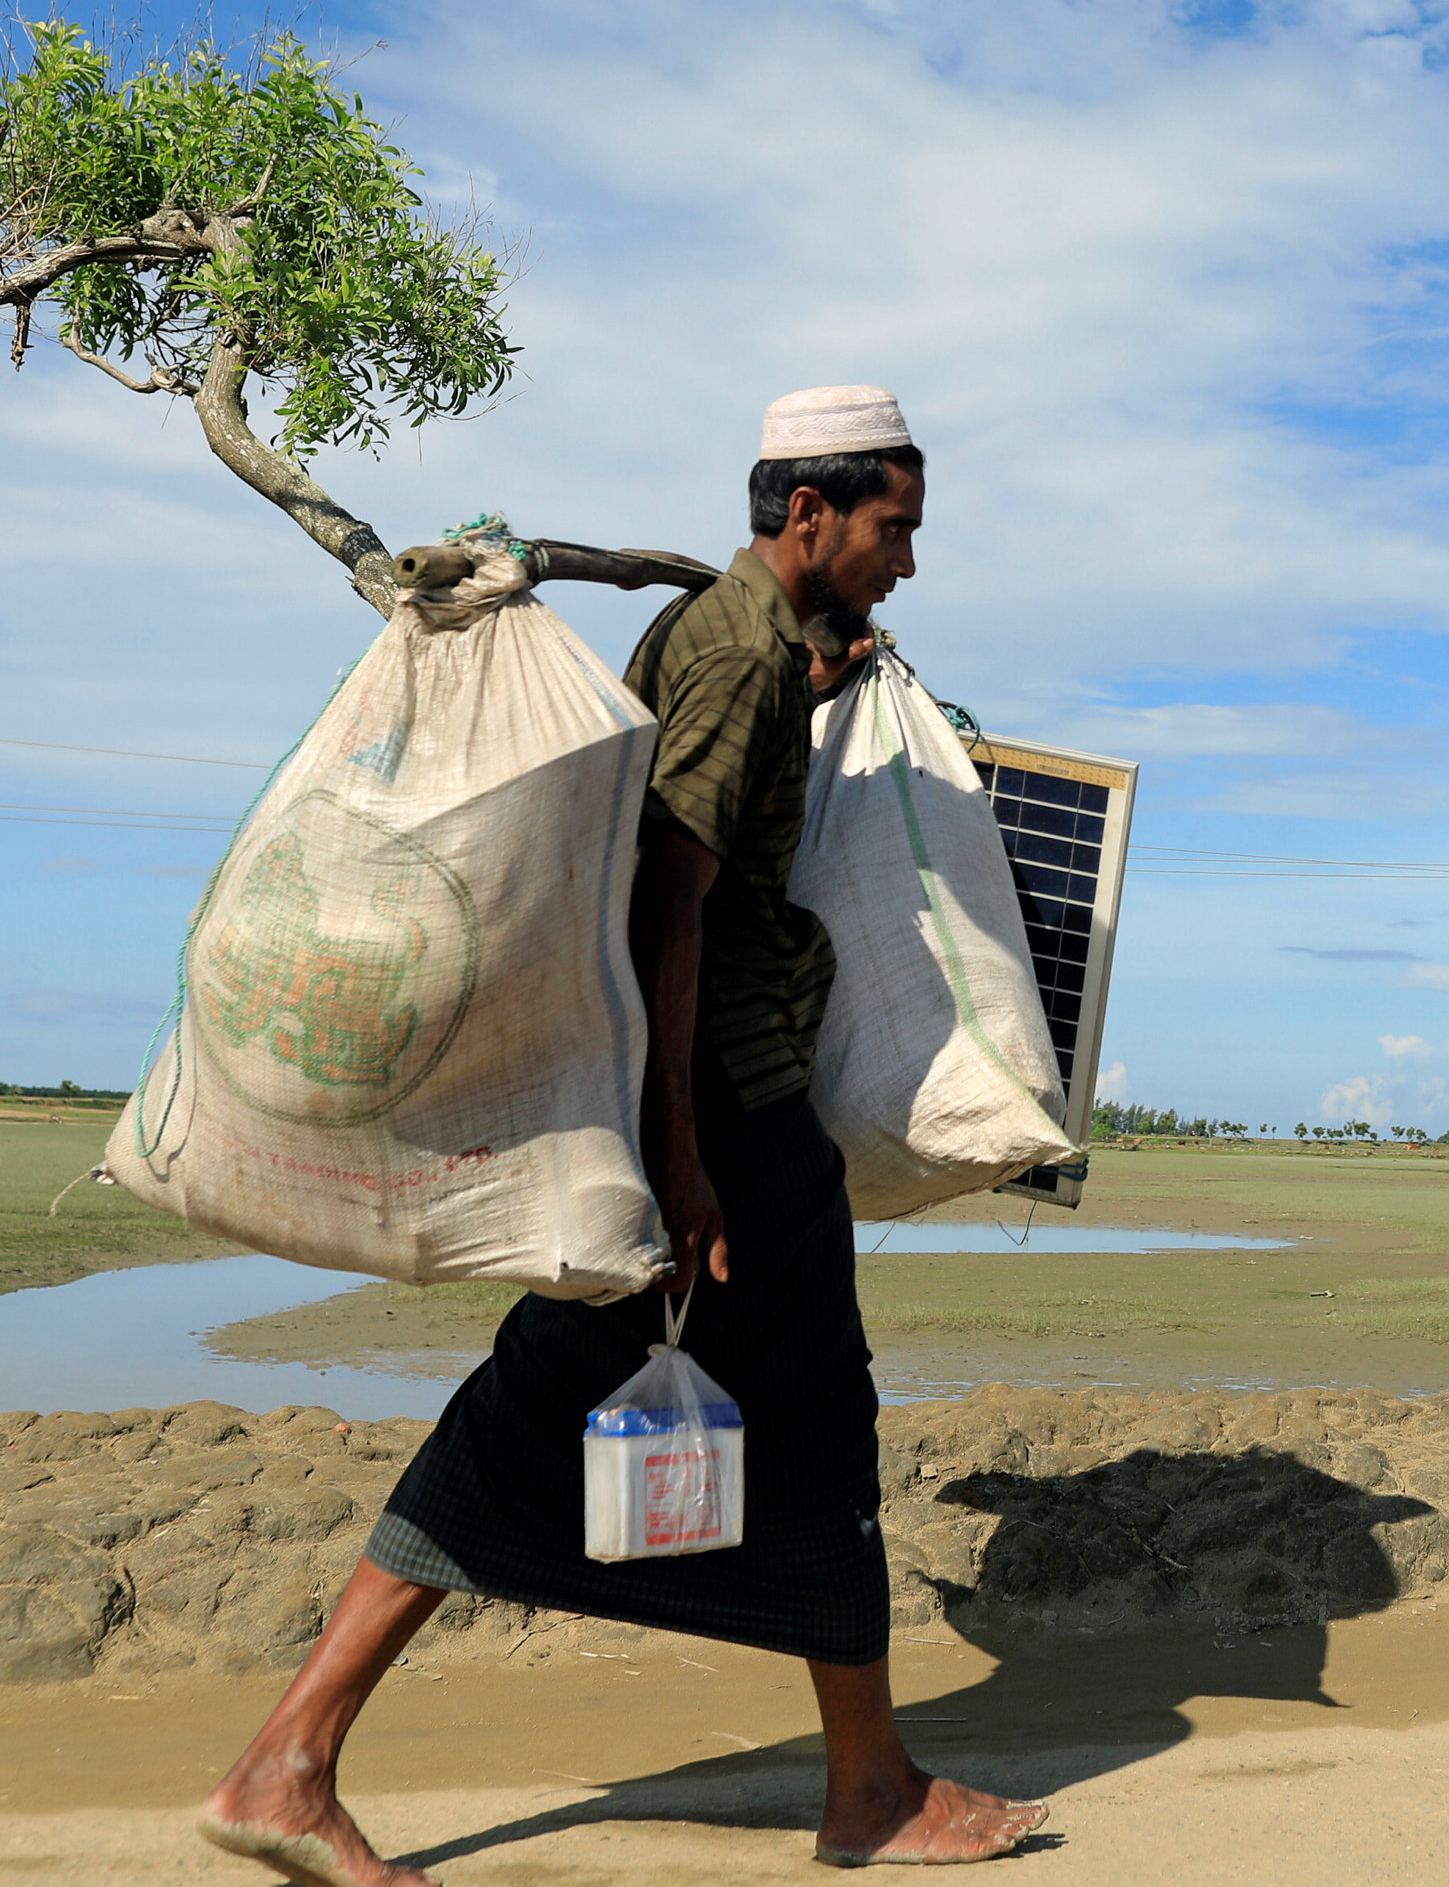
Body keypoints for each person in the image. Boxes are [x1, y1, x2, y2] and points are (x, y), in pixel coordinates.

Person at [200, 386, 1046, 1880]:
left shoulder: (741, 647)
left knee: (626, 1407)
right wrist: (682, 1154)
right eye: (893, 529)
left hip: (714, 1098)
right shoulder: (735, 661)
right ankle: (868, 1792)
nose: (909, 562)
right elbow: (674, 901)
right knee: (777, 1418)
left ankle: (293, 1759)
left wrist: (831, 670)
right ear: (809, 515)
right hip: (725, 1100)